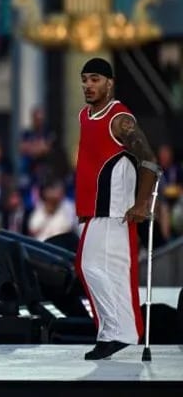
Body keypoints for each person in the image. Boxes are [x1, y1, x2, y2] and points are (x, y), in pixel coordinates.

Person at [74, 57, 159, 360]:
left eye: (95, 79)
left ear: (110, 83)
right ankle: (115, 333)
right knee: (109, 273)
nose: (87, 85)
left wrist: (142, 202)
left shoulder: (119, 119)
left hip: (112, 209)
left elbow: (149, 159)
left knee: (88, 267)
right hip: (92, 207)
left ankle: (119, 331)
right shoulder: (86, 115)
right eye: (84, 79)